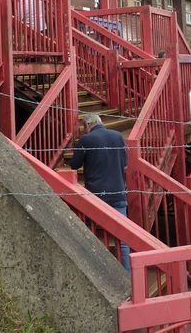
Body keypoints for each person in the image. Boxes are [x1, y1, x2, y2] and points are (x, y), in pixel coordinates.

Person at [69, 113, 130, 271]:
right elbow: (124, 163)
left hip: (95, 196)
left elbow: (74, 165)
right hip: (118, 193)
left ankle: (95, 271)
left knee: (90, 235)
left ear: (87, 125)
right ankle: (128, 276)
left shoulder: (86, 140)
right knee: (123, 240)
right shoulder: (118, 136)